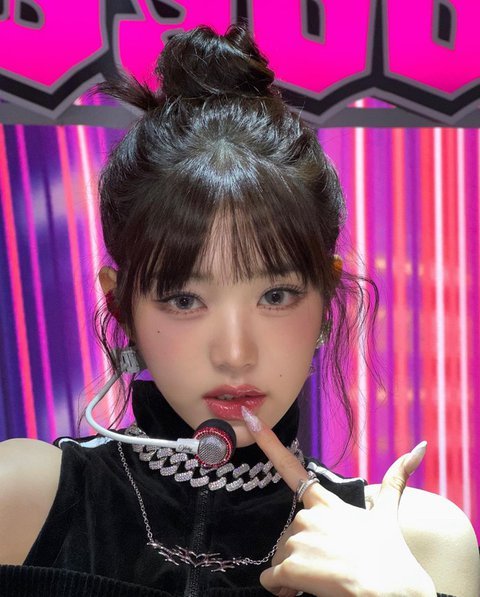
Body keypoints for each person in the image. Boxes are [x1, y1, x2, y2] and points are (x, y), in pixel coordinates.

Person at [0, 24, 478, 597]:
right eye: (184, 299)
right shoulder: (22, 498)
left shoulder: (418, 542)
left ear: (326, 301)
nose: (234, 353)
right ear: (120, 306)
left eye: (275, 296)